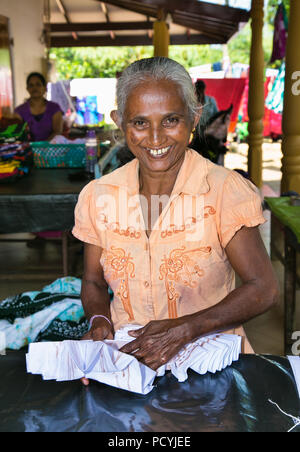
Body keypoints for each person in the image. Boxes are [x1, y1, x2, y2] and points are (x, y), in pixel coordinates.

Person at [72, 57, 278, 384]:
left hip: (211, 365)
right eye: (139, 123)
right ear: (119, 122)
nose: (155, 139)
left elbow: (263, 288)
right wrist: (100, 324)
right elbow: (93, 281)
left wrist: (185, 329)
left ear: (194, 117)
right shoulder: (98, 196)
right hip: (129, 362)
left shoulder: (223, 190)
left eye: (170, 120)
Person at [14, 72, 63, 141]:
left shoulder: (54, 108)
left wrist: (43, 147)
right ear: (27, 88)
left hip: (50, 149)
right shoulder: (19, 111)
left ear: (45, 88)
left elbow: (57, 132)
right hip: (28, 150)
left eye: (38, 84)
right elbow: (18, 135)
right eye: (31, 85)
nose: (35, 88)